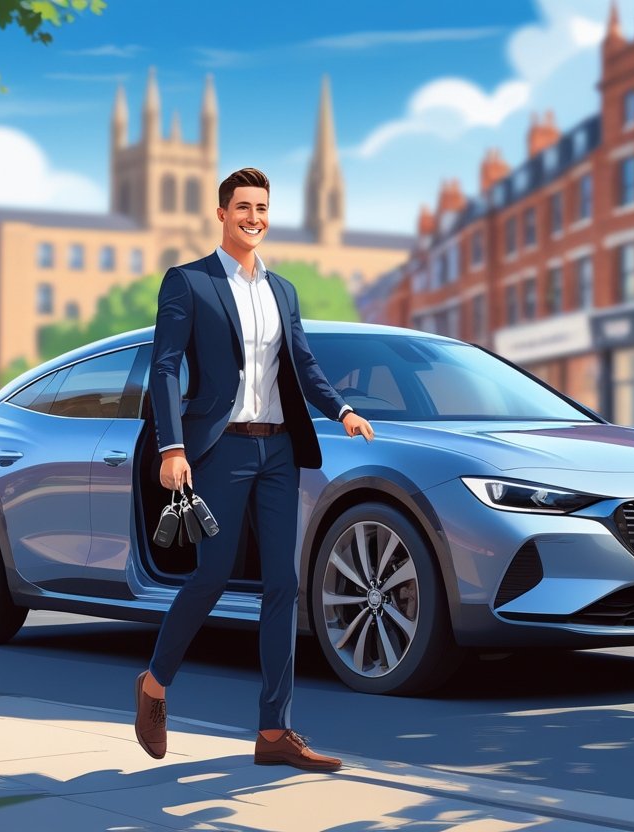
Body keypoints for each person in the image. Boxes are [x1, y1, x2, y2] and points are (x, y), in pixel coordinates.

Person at [134, 168, 375, 772]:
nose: (254, 217)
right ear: (222, 213)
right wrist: (171, 448)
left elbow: (303, 363)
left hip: (279, 452)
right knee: (211, 577)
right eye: (243, 206)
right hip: (222, 449)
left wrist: (341, 409)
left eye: (262, 207)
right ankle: (155, 684)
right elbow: (165, 369)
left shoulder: (283, 291)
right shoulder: (189, 283)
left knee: (282, 587)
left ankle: (274, 730)